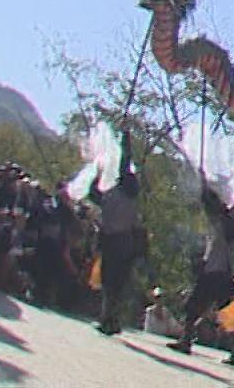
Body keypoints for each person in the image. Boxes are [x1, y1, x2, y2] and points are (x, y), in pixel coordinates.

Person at [171, 183, 234, 359]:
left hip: (216, 274)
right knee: (201, 310)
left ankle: (188, 341)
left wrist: (204, 186)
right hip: (220, 274)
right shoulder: (230, 225)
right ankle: (188, 340)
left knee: (202, 309)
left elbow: (214, 205)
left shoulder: (230, 225)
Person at [89, 130, 142, 335]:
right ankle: (112, 319)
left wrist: (98, 175)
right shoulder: (131, 198)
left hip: (113, 242)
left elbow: (94, 195)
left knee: (110, 282)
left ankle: (107, 318)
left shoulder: (114, 195)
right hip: (126, 243)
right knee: (118, 283)